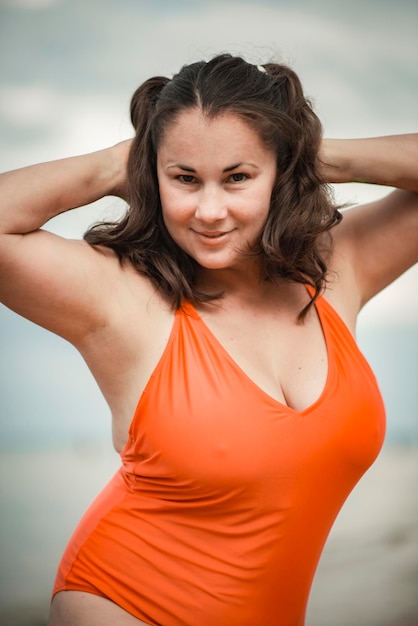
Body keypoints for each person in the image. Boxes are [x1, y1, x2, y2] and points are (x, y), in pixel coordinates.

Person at [0, 53, 417, 626]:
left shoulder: (339, 264)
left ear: (280, 171)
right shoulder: (122, 298)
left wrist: (317, 154)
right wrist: (108, 167)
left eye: (238, 176)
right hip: (122, 605)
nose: (210, 211)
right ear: (155, 174)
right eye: (185, 178)